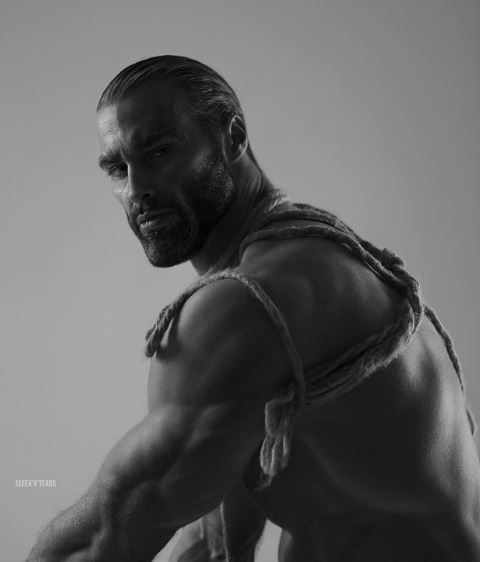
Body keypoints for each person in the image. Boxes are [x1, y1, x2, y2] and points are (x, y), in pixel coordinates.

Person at [27, 55, 480, 562]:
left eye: (160, 151)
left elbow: (102, 540)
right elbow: (215, 542)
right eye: (118, 168)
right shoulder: (318, 258)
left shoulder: (254, 307)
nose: (137, 189)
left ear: (233, 138)